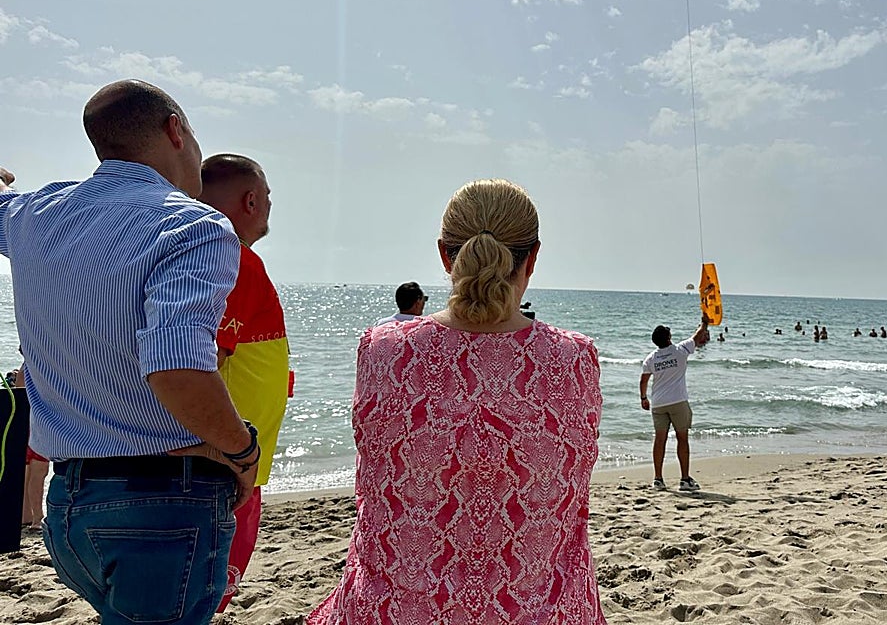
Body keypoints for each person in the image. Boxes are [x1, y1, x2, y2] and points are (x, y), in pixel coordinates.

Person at [0, 80, 258, 625]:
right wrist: (241, 450)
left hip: (68, 507)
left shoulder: (32, 215)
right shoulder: (192, 223)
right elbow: (176, 366)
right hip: (162, 507)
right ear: (175, 129)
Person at [310, 179, 605, 624]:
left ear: (445, 255)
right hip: (544, 611)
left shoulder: (383, 350)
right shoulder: (573, 359)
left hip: (397, 612)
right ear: (534, 257)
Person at [199, 154, 292, 612]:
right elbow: (202, 362)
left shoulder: (209, 254)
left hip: (227, 461)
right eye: (268, 197)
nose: (270, 206)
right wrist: (236, 455)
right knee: (205, 593)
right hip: (227, 466)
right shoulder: (234, 258)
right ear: (251, 200)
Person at [641, 321, 708, 492]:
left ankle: (658, 479)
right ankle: (685, 479)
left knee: (659, 440)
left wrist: (643, 398)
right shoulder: (680, 350)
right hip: (678, 401)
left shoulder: (651, 358)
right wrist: (704, 323)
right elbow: (698, 335)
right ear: (669, 337)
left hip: (658, 403)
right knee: (682, 439)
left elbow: (644, 379)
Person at [8, 367, 50, 531]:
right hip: (38, 428)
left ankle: (26, 516)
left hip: (25, 428)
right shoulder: (35, 368)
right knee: (38, 474)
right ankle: (37, 518)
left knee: (28, 474)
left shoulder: (23, 372)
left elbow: (21, 401)